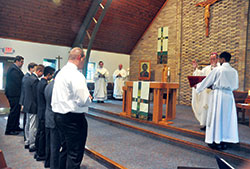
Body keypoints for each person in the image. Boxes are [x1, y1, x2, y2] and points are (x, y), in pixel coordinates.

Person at [52, 47, 91, 169]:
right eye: (84, 59)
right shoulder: (76, 75)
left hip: (59, 116)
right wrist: (89, 97)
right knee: (75, 154)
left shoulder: (61, 72)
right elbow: (83, 100)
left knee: (65, 150)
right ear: (80, 58)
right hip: (73, 119)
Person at [195, 52, 239, 150]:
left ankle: (215, 141)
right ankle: (224, 141)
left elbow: (207, 81)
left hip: (219, 96)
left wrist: (198, 87)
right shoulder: (234, 71)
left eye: (219, 59)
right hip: (229, 96)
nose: (219, 61)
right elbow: (236, 86)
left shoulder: (218, 70)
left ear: (222, 59)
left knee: (216, 118)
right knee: (226, 119)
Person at [191, 52, 220, 130]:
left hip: (215, 92)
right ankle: (204, 123)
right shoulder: (207, 69)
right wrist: (195, 68)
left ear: (217, 59)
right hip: (206, 93)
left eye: (214, 59)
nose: (212, 61)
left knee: (213, 108)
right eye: (211, 59)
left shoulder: (220, 68)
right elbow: (200, 75)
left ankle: (213, 125)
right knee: (205, 107)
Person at [35, 66, 55, 164]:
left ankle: (38, 151)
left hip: (40, 109)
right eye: (52, 74)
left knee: (40, 132)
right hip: (44, 111)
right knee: (42, 134)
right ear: (49, 74)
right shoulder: (45, 84)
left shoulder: (40, 82)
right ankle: (41, 153)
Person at [23, 64, 44, 152]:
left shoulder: (27, 78)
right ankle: (32, 144)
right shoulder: (35, 80)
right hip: (33, 105)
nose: (42, 75)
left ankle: (27, 141)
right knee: (33, 125)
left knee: (27, 124)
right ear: (38, 71)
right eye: (41, 73)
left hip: (27, 104)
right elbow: (36, 95)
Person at [44, 70, 63, 169]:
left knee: (50, 144)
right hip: (54, 119)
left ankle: (49, 163)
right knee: (55, 146)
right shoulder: (56, 87)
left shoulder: (49, 85)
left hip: (48, 116)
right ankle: (54, 166)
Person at [5, 55, 24, 135]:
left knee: (16, 111)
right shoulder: (13, 69)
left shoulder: (16, 69)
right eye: (21, 62)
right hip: (13, 94)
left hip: (16, 94)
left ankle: (16, 126)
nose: (22, 63)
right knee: (13, 112)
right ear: (17, 61)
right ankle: (9, 130)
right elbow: (19, 81)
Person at [19, 62, 37, 143]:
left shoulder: (28, 77)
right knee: (28, 123)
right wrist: (22, 103)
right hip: (28, 102)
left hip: (27, 102)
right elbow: (24, 91)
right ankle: (28, 139)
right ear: (31, 69)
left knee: (28, 122)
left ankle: (27, 139)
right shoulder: (27, 77)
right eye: (35, 69)